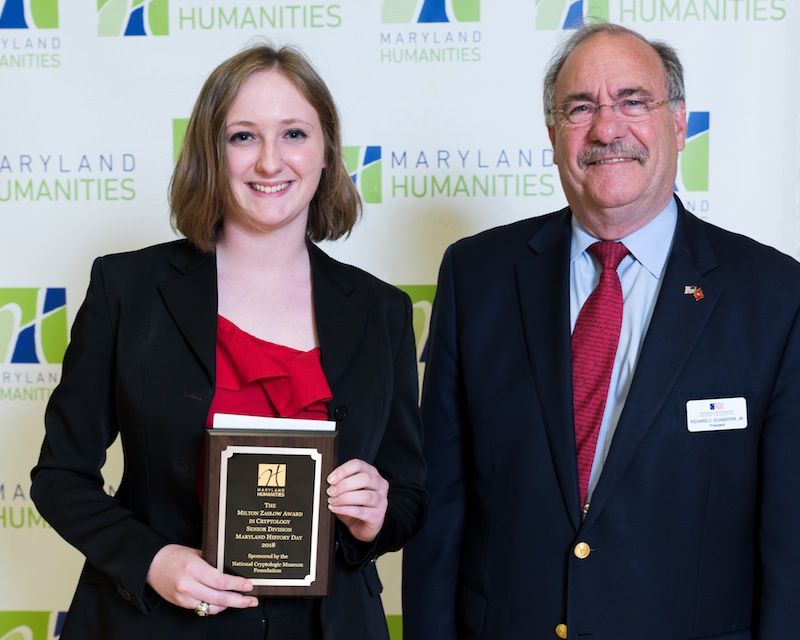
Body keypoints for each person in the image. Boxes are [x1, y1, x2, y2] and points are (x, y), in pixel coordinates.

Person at [402, 22, 800, 640]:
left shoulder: (775, 296)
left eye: (633, 101)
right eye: (580, 108)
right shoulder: (475, 276)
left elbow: (790, 538)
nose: (607, 129)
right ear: (553, 137)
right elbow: (441, 509)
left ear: (678, 124)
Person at [30, 44, 426, 640]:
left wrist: (378, 515)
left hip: (329, 625)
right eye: (243, 136)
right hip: (156, 622)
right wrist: (151, 561)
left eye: (294, 133)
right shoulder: (127, 288)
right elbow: (59, 476)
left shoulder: (381, 309)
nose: (271, 162)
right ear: (210, 154)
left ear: (326, 153)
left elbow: (411, 496)